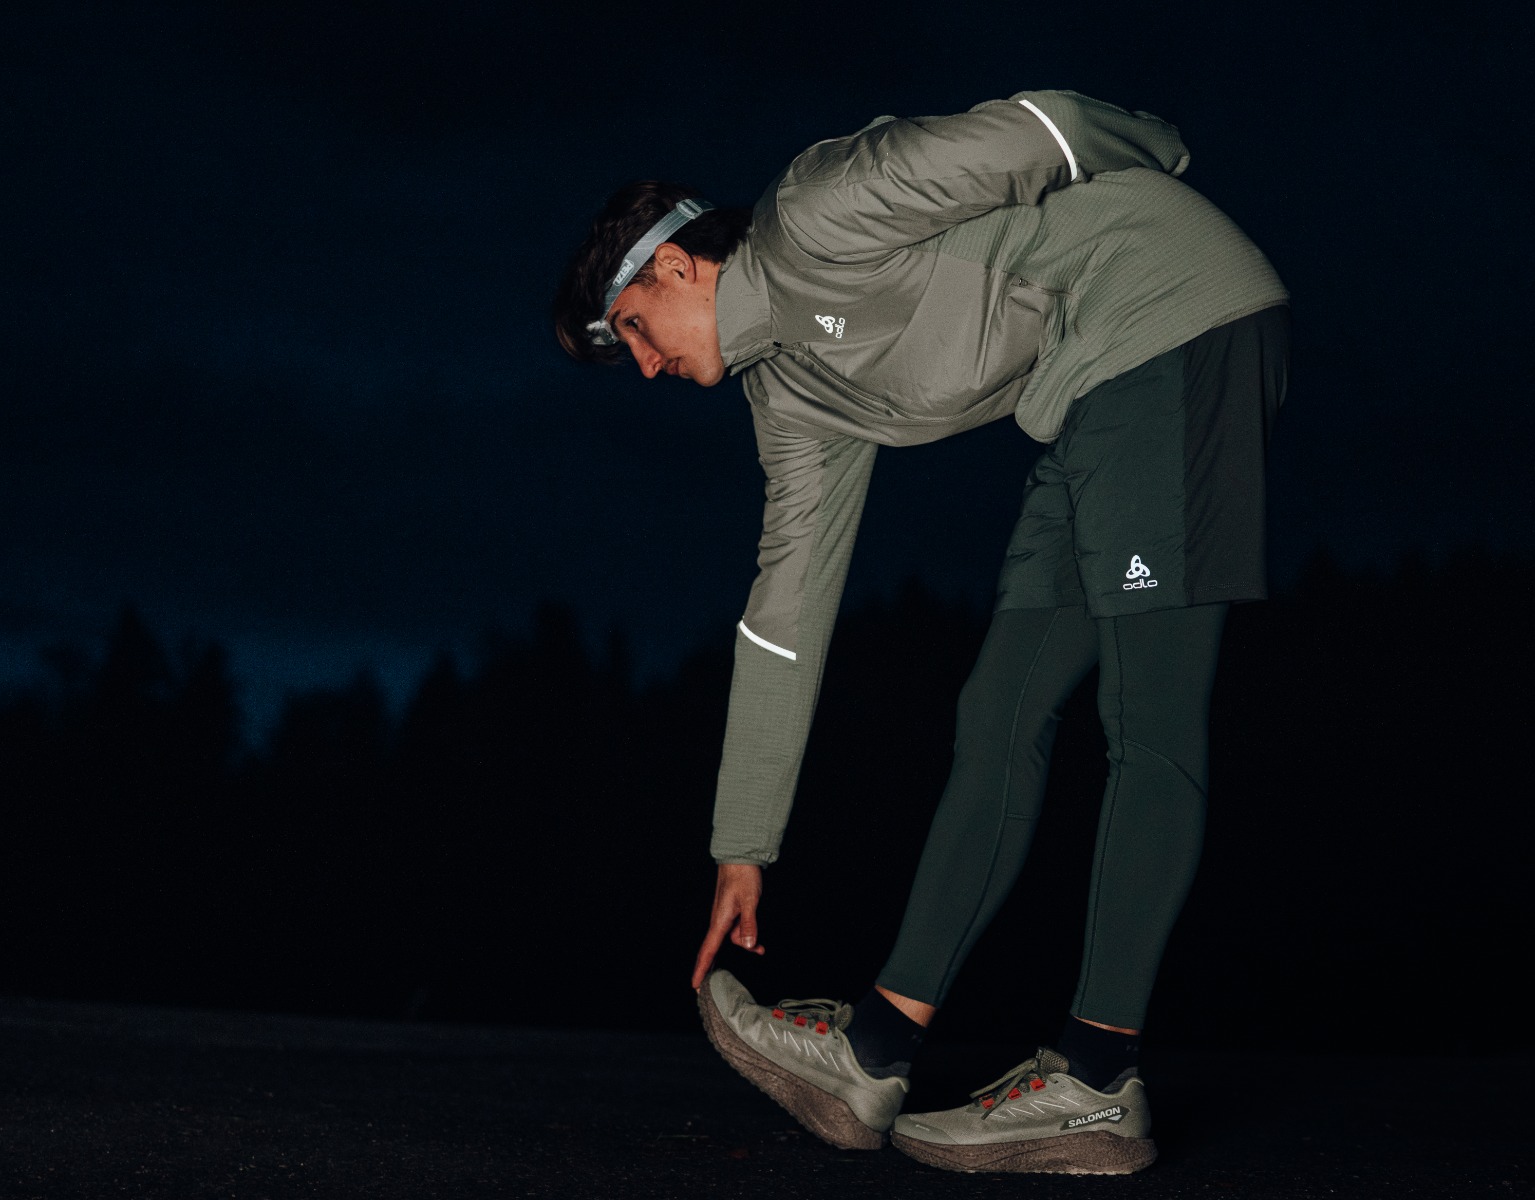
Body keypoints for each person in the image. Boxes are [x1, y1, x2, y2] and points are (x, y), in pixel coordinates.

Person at [552, 88, 1288, 1175]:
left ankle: (1096, 1080)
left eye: (635, 333)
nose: (648, 368)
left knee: (1148, 717)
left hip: (1172, 322)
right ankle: (875, 1054)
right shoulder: (790, 396)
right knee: (998, 712)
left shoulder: (816, 211)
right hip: (1083, 396)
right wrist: (742, 843)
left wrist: (1165, 152)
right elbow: (784, 613)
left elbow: (1039, 132)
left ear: (673, 265)